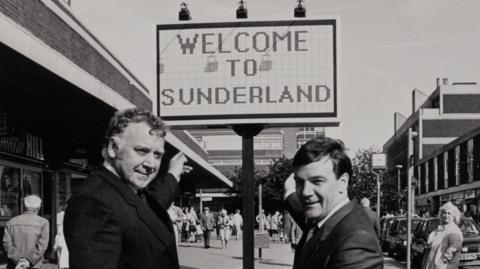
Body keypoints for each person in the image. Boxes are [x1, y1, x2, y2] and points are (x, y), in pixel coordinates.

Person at [64, 107, 192, 269]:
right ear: (113, 148)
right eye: (141, 151)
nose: (151, 164)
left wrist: (173, 174)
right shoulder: (94, 202)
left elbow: (150, 205)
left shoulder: (124, 191)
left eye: (157, 155)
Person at [284, 137, 383, 269]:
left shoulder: (357, 241)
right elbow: (302, 213)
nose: (305, 192)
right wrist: (288, 191)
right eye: (300, 182)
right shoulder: (325, 218)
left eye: (317, 181)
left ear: (343, 183)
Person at [2, 195, 49, 269]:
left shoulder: (11, 222)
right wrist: (28, 261)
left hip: (14, 265)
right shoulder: (44, 223)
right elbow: (42, 246)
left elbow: (7, 244)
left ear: (24, 206)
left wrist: (18, 260)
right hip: (34, 265)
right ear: (38, 207)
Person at [421, 202, 463, 269]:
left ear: (454, 216)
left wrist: (442, 261)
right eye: (444, 213)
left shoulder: (454, 231)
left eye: (449, 213)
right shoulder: (439, 230)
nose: (446, 215)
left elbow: (453, 249)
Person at [54, 203, 69, 269]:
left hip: (61, 234)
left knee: (61, 253)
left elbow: (58, 227)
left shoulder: (59, 215)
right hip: (64, 234)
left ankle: (61, 265)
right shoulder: (62, 215)